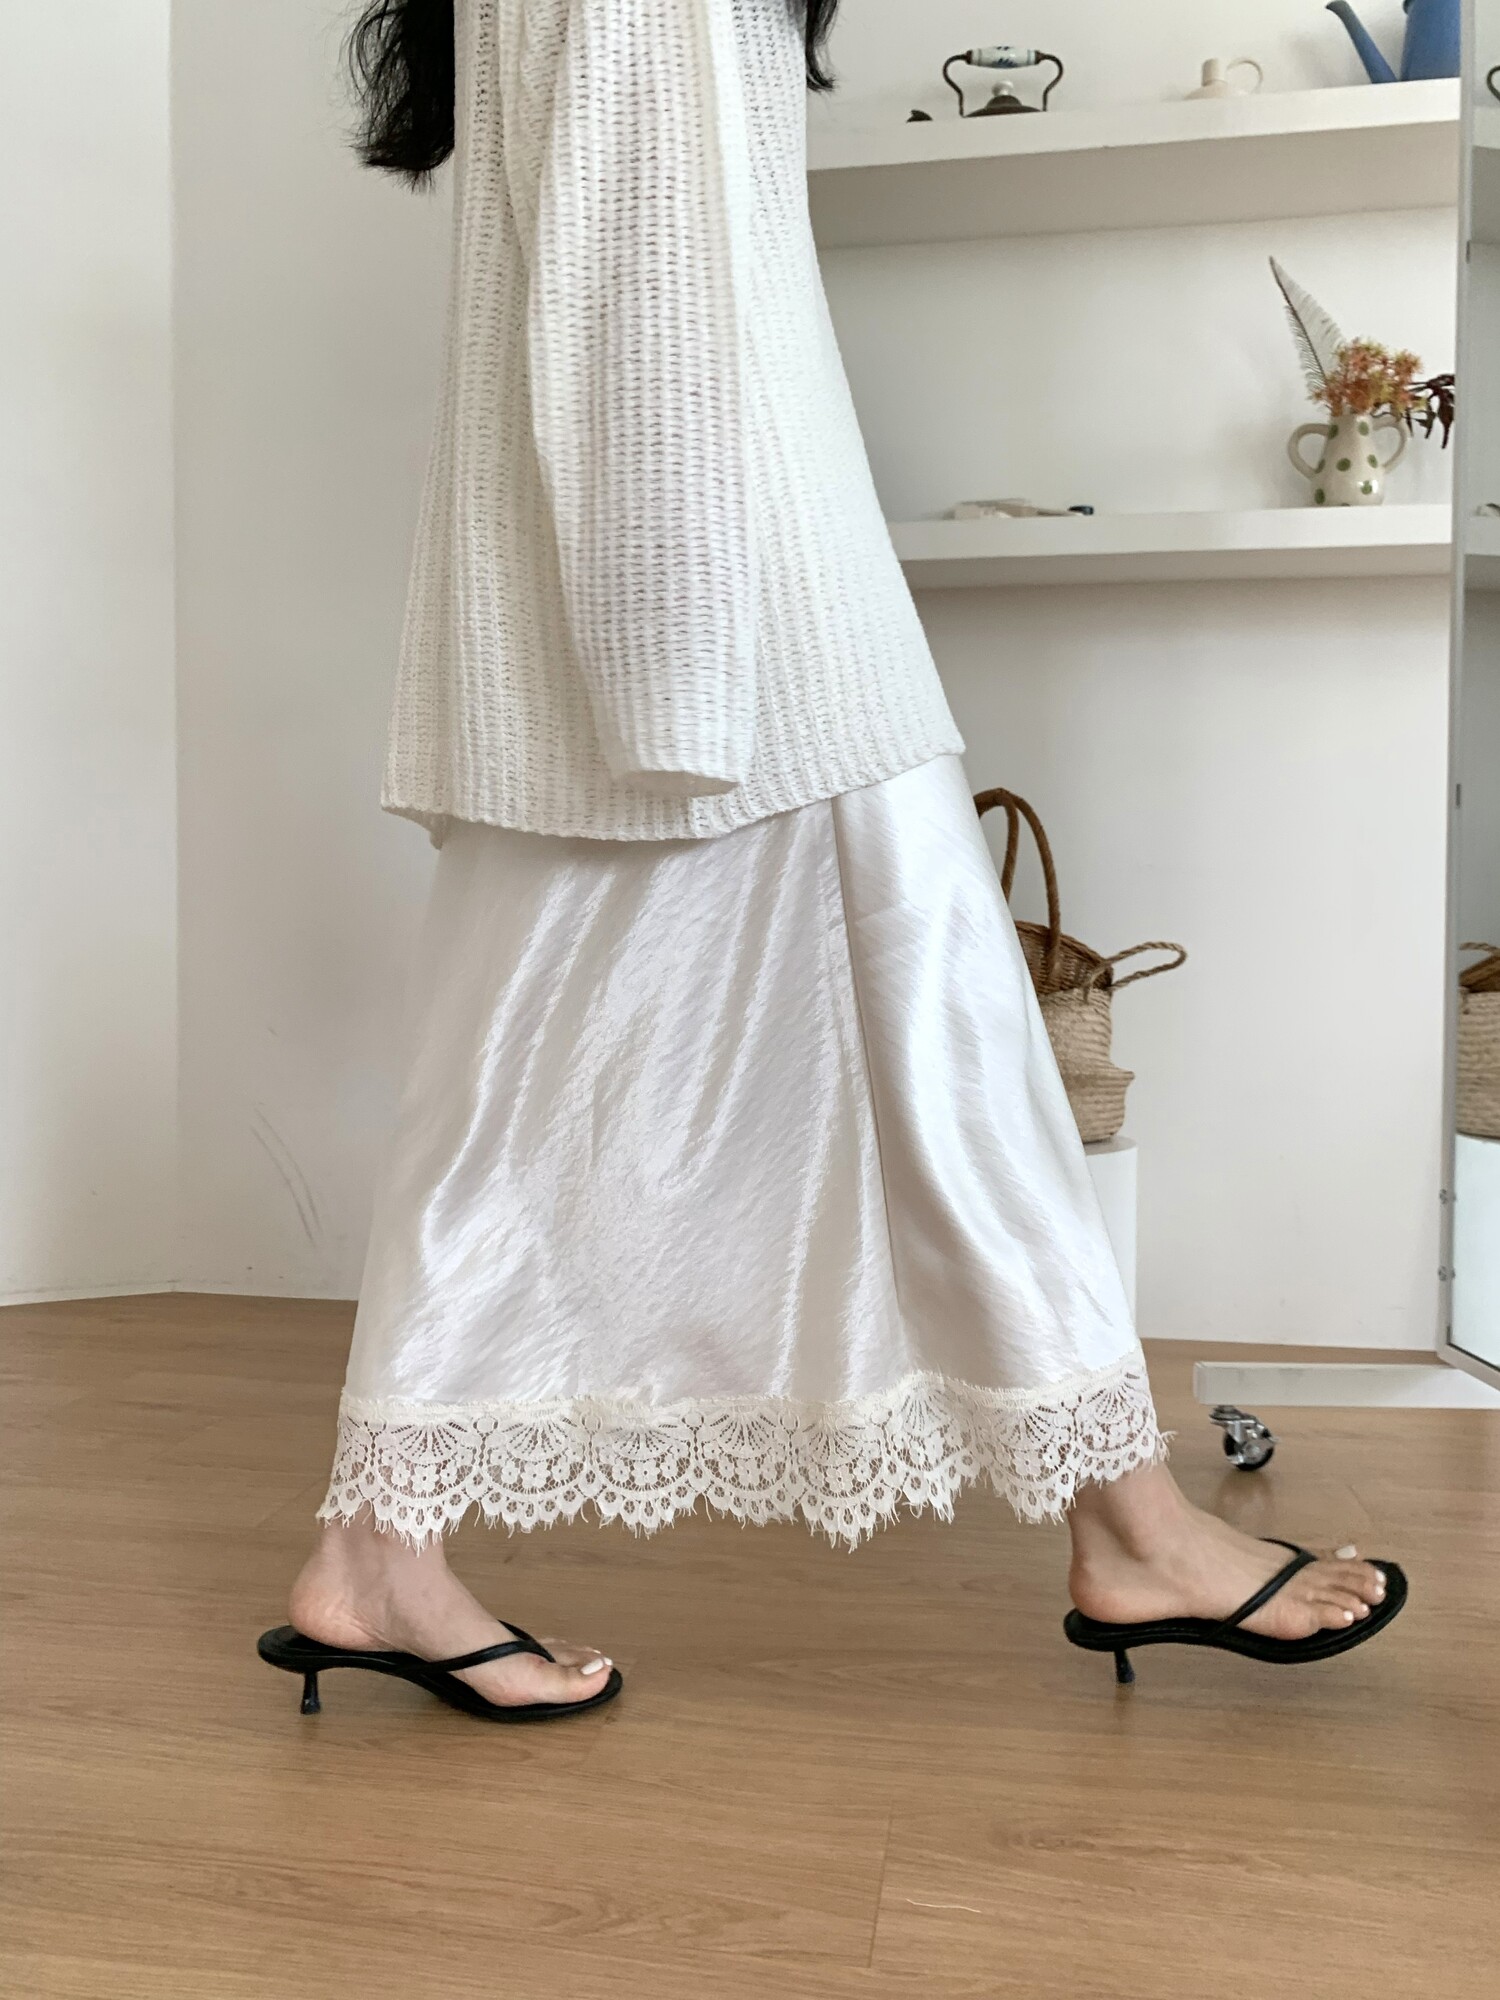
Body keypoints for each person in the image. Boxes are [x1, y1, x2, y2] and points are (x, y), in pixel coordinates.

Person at [259, 0, 1402, 1723]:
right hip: (728, 633)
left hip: (660, 629)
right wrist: (672, 677)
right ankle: (1133, 1528)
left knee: (520, 1082)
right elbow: (635, 296)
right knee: (922, 1038)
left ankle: (376, 1551)